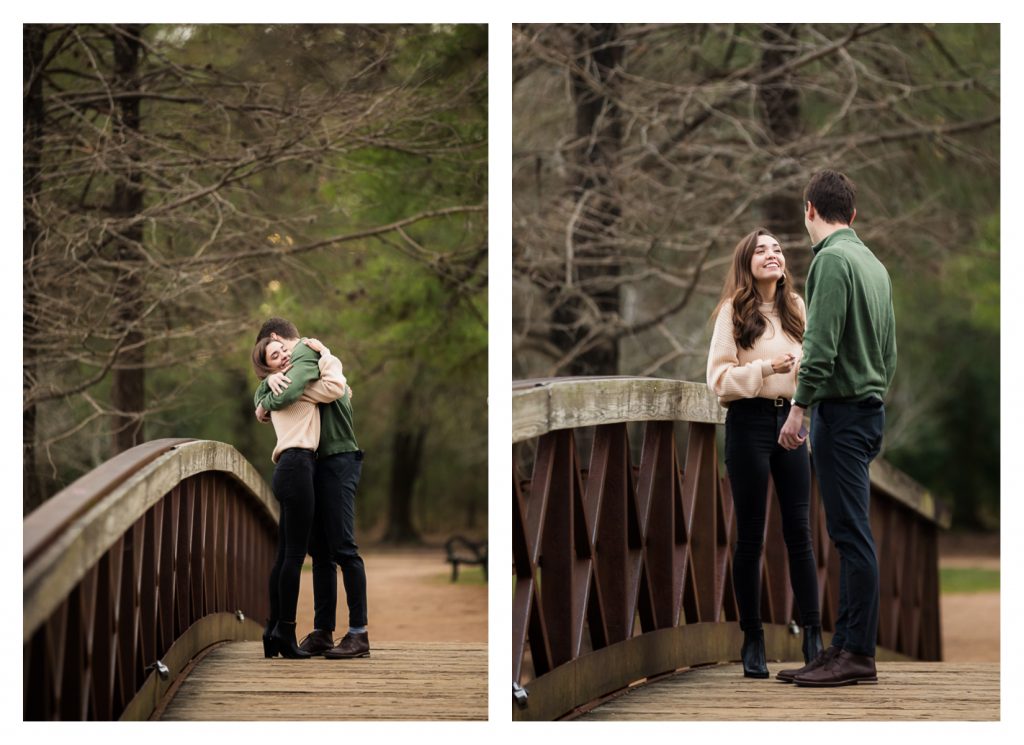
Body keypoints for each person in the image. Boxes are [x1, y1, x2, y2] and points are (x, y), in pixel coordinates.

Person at [778, 170, 897, 687]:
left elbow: (821, 345)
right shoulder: (873, 264)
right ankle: (841, 648)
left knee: (850, 535)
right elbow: (889, 353)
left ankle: (857, 654)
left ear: (810, 209)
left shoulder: (830, 261)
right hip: (869, 409)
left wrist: (800, 408)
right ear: (853, 214)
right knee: (850, 533)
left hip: (842, 413)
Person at [707, 228, 822, 679]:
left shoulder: (797, 308)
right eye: (761, 250)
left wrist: (802, 400)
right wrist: (764, 369)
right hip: (749, 424)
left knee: (800, 533)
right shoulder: (731, 312)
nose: (772, 255)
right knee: (750, 536)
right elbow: (718, 382)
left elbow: (813, 365)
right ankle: (751, 638)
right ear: (747, 263)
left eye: (777, 249)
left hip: (792, 423)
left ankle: (814, 637)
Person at [253, 318, 370, 659]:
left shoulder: (310, 353)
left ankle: (359, 633)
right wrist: (267, 386)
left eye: (280, 351)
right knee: (320, 553)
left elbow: (331, 389)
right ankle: (322, 631)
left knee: (344, 547)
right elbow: (270, 401)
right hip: (313, 463)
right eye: (276, 359)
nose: (284, 358)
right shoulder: (298, 366)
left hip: (339, 459)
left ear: (280, 339)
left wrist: (268, 395)